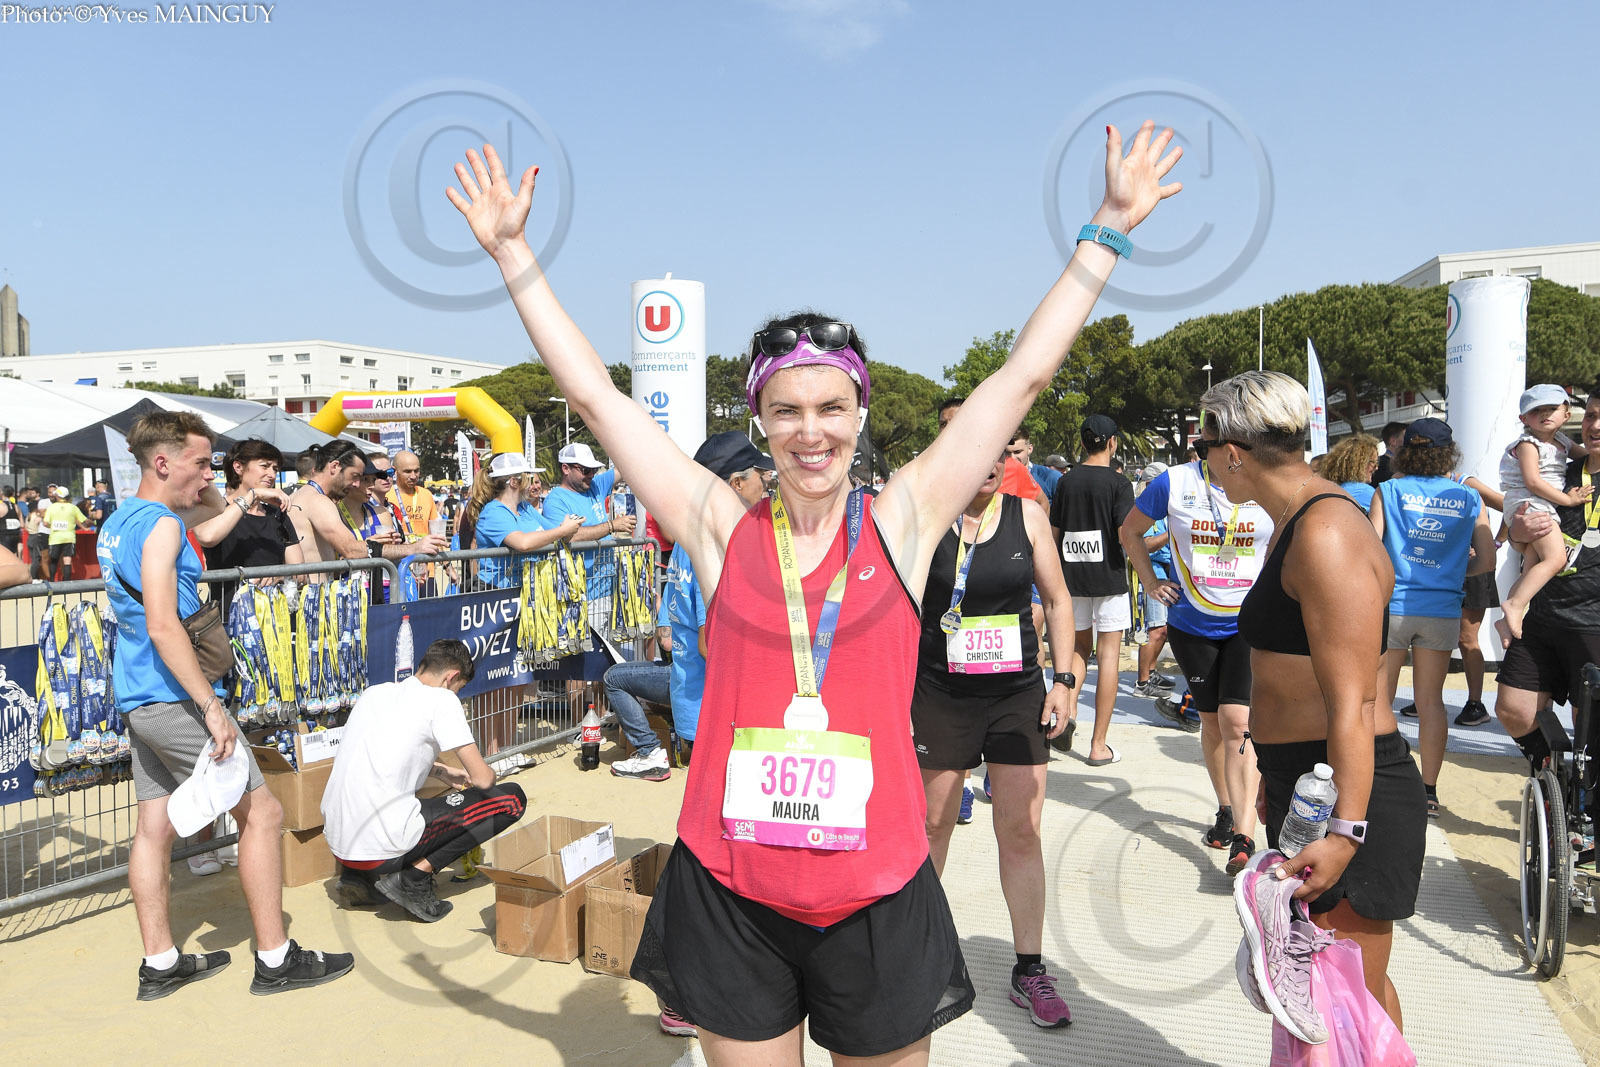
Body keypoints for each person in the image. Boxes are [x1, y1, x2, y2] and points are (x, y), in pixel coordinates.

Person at [449, 120, 1180, 1062]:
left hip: (875, 891)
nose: (811, 432)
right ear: (759, 420)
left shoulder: (903, 521)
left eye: (832, 407)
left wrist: (1108, 227)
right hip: (733, 889)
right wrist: (513, 255)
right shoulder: (720, 527)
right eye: (786, 410)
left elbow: (1022, 377)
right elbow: (598, 398)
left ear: (860, 414)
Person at [97, 411, 353, 999]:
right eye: (200, 463)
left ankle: (160, 963)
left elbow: (209, 508)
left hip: (139, 692)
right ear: (163, 462)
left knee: (154, 827)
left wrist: (211, 484)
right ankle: (276, 958)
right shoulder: (162, 525)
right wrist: (211, 707)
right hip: (176, 695)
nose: (209, 474)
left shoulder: (122, 517)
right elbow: (164, 624)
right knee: (262, 815)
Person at [1202, 371, 1423, 1030]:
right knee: (1336, 997)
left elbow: (1355, 703)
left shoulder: (1325, 531)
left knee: (1349, 999)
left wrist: (1346, 830)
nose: (1204, 460)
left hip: (1354, 791)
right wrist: (1280, 781)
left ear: (1232, 452)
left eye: (1203, 446)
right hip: (1312, 781)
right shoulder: (1295, 521)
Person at [912, 438, 1075, 1028]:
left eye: (997, 453)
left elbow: (1057, 599)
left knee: (1021, 829)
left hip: (1015, 694)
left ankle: (1030, 969)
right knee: (932, 826)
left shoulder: (1027, 516)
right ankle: (917, 958)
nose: (984, 463)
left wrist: (1063, 680)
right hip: (940, 692)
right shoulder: (927, 517)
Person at [1121, 426, 1274, 876]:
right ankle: (1226, 808)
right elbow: (1129, 532)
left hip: (1248, 623)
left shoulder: (1264, 477)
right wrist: (1151, 582)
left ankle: (1244, 835)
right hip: (1191, 625)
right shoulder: (1174, 482)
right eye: (1215, 447)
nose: (1230, 456)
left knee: (1237, 722)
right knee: (1211, 722)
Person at [606, 433, 773, 784]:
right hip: (717, 713)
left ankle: (652, 753)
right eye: (760, 474)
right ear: (736, 483)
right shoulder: (712, 547)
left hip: (695, 702)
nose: (766, 483)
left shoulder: (688, 541)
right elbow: (711, 644)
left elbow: (671, 630)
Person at [324, 639, 525, 922]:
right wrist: (486, 772)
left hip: (340, 844)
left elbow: (385, 753)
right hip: (382, 848)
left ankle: (357, 877)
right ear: (451, 677)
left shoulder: (375, 693)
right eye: (459, 688)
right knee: (512, 799)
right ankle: (414, 878)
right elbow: (482, 780)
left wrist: (441, 771)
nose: (457, 695)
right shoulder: (442, 700)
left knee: (385, 799)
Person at [1368, 418, 1495, 818]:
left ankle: (1375, 782)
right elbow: (1487, 560)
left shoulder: (1388, 491)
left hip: (1393, 606)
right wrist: (1453, 573)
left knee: (1379, 700)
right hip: (1442, 609)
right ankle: (1429, 791)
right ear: (1449, 453)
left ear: (1404, 451)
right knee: (1430, 701)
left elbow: (1370, 551)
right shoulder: (1469, 498)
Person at [1495, 392, 1600, 780]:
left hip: (1593, 623)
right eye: (1591, 416)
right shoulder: (1561, 471)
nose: (1595, 426)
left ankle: (1584, 802)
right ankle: (1555, 779)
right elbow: (1521, 523)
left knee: (1590, 728)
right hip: (1542, 616)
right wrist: (1517, 533)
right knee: (1513, 710)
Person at [458, 452, 585, 768]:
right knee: (491, 682)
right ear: (514, 481)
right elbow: (525, 543)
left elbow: (553, 533)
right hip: (493, 600)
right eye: (527, 476)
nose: (532, 482)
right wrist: (561, 530)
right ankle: (492, 753)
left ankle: (507, 749)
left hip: (522, 599)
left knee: (516, 678)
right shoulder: (493, 511)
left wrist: (564, 528)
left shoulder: (526, 508)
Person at [1050, 414, 1134, 765]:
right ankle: (1098, 746)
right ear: (1112, 443)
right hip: (1110, 578)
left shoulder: (1065, 482)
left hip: (1071, 578)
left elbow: (1054, 533)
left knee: (1078, 649)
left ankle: (1066, 712)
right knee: (1109, 656)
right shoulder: (1119, 483)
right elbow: (1126, 535)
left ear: (1083, 443)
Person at [1496, 385, 1589, 644]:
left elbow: (1587, 457)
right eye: (1537, 411)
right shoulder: (1528, 444)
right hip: (1530, 503)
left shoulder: (1563, 441)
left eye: (1552, 409)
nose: (1545, 414)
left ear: (1566, 415)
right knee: (1556, 559)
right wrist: (1568, 500)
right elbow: (1533, 482)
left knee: (1532, 568)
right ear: (1524, 418)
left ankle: (1506, 621)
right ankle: (1514, 605)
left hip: (1542, 505)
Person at [286, 441, 446, 572]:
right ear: (334, 467)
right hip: (313, 595)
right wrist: (412, 549)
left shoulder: (301, 495)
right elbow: (351, 550)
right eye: (355, 476)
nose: (356, 484)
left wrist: (368, 544)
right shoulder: (318, 501)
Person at [1131, 461, 1179, 699]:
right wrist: (1172, 533)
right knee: (1156, 629)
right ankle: (1142, 682)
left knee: (1163, 630)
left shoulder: (1168, 505)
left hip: (1168, 573)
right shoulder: (1146, 508)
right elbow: (1146, 545)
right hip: (1152, 574)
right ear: (1150, 484)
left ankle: (1150, 673)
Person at [388, 450, 440, 539]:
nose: (413, 476)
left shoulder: (426, 494)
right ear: (395, 471)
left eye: (416, 471)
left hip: (424, 547)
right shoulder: (386, 495)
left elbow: (434, 528)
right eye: (407, 471)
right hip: (399, 547)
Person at [42, 486, 91, 581]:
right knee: (67, 560)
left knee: (54, 560)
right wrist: (93, 522)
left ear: (57, 496)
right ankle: (67, 582)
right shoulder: (73, 507)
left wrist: (52, 526)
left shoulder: (51, 507)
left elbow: (45, 523)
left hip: (55, 538)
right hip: (69, 538)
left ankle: (52, 581)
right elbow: (84, 520)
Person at [1320, 433, 1378, 510]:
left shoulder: (1330, 491)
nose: (1376, 468)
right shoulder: (1365, 492)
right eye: (1373, 462)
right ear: (1358, 464)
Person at [1006, 429, 1060, 499]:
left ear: (1030, 449)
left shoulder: (1050, 477)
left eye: (1017, 452)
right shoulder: (998, 479)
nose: (1012, 458)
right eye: (1007, 453)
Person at [1370, 421, 1407, 486]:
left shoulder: (1380, 463)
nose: (1409, 440)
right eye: (1406, 437)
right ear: (1393, 441)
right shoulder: (1381, 467)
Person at [23, 488, 47, 580]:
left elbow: (25, 527)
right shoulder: (36, 516)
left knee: (33, 559)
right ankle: (33, 578)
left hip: (30, 537)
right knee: (36, 560)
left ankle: (35, 576)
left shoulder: (28, 516)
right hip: (36, 538)